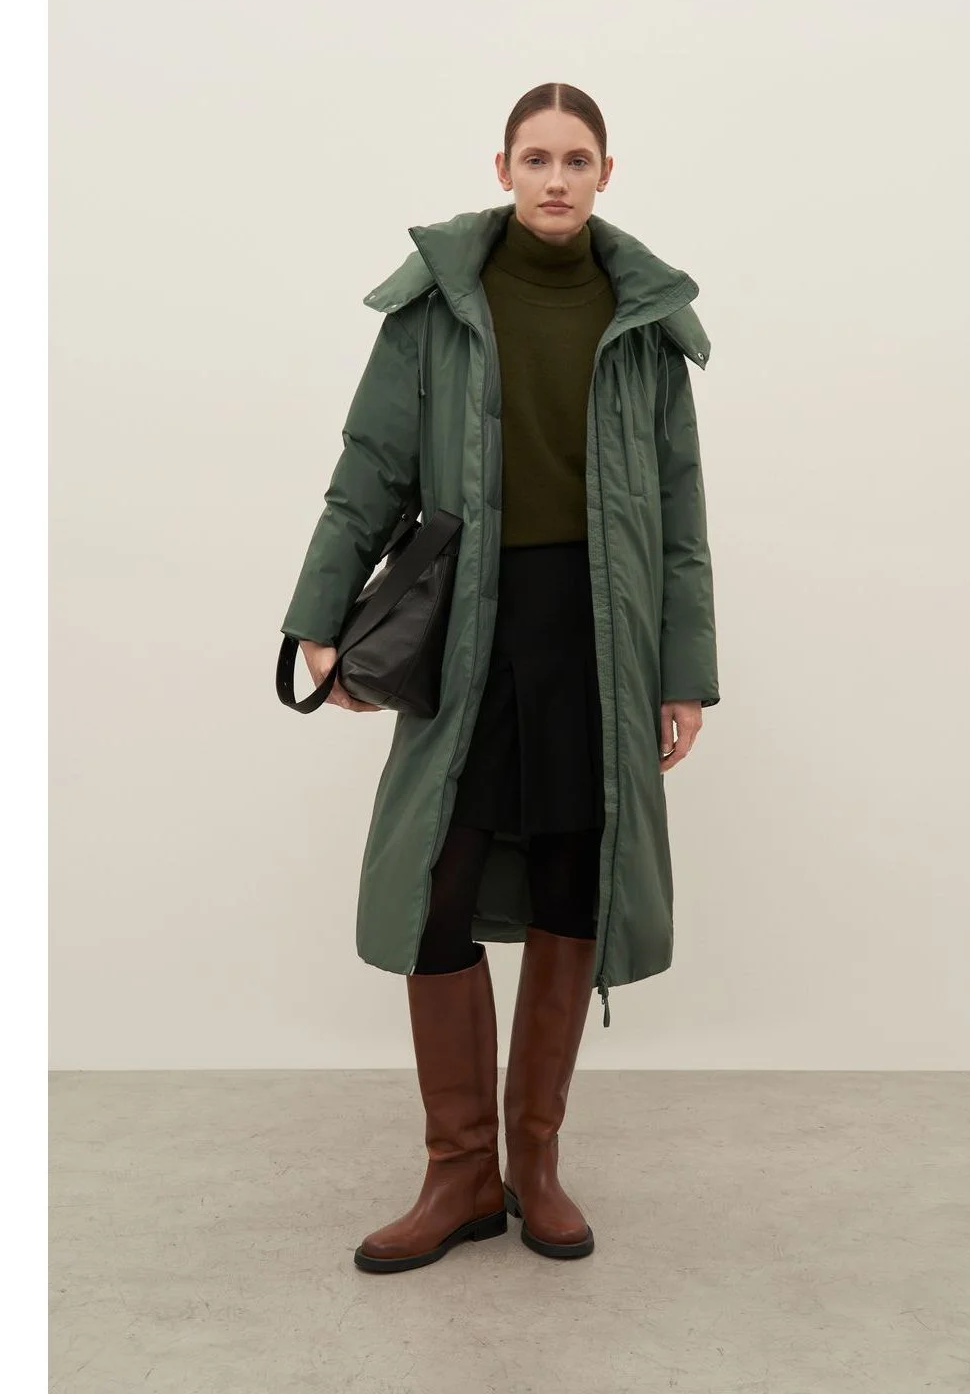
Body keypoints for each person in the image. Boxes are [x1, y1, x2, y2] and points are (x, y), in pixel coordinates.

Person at [280, 82, 719, 1274]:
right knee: (438, 881)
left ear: (606, 173)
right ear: (504, 167)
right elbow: (368, 467)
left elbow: (680, 515)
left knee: (574, 877)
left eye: (577, 159)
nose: (556, 179)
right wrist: (319, 615)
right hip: (470, 630)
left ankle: (535, 1162)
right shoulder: (435, 306)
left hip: (599, 634)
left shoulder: (647, 322)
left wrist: (684, 671)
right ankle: (458, 1171)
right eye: (537, 158)